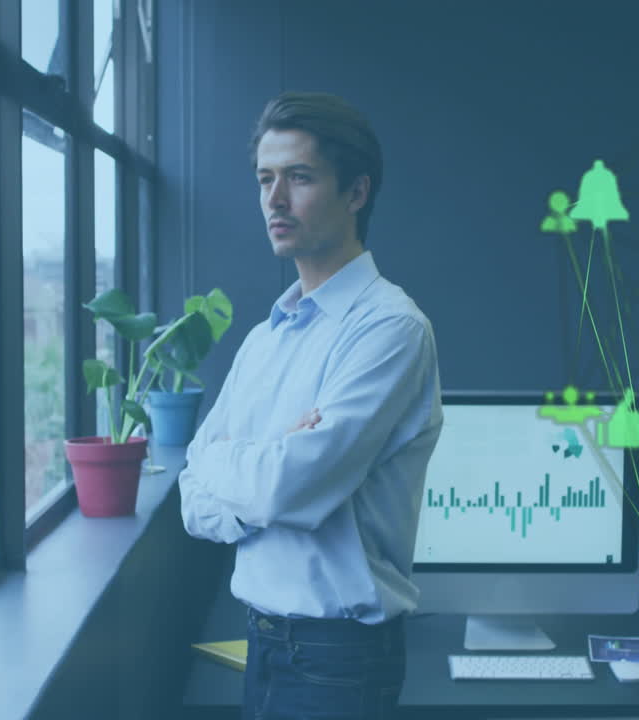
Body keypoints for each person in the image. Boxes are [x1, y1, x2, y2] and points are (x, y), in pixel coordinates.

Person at [178, 91, 443, 719]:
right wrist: (264, 469)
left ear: (356, 192)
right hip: (262, 644)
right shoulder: (264, 339)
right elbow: (193, 499)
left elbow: (285, 488)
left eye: (299, 177)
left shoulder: (389, 329)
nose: (275, 199)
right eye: (264, 179)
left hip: (338, 660)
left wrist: (233, 464)